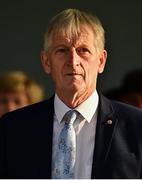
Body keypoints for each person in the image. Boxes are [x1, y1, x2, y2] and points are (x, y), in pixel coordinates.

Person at [0, 8, 142, 179]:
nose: (73, 61)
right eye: (62, 50)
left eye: (83, 50)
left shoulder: (136, 126)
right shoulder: (13, 128)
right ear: (46, 62)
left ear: (101, 61)